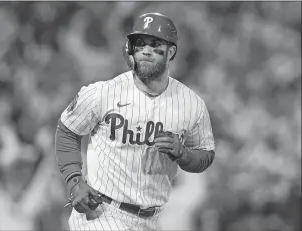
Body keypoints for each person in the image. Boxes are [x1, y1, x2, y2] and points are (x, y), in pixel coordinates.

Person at [55, 12, 215, 231]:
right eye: (139, 44)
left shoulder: (191, 104)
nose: (146, 51)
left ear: (171, 52)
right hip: (102, 211)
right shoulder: (103, 92)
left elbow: (205, 155)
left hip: (150, 219)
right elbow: (67, 131)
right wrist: (75, 181)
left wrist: (183, 154)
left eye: (154, 44)